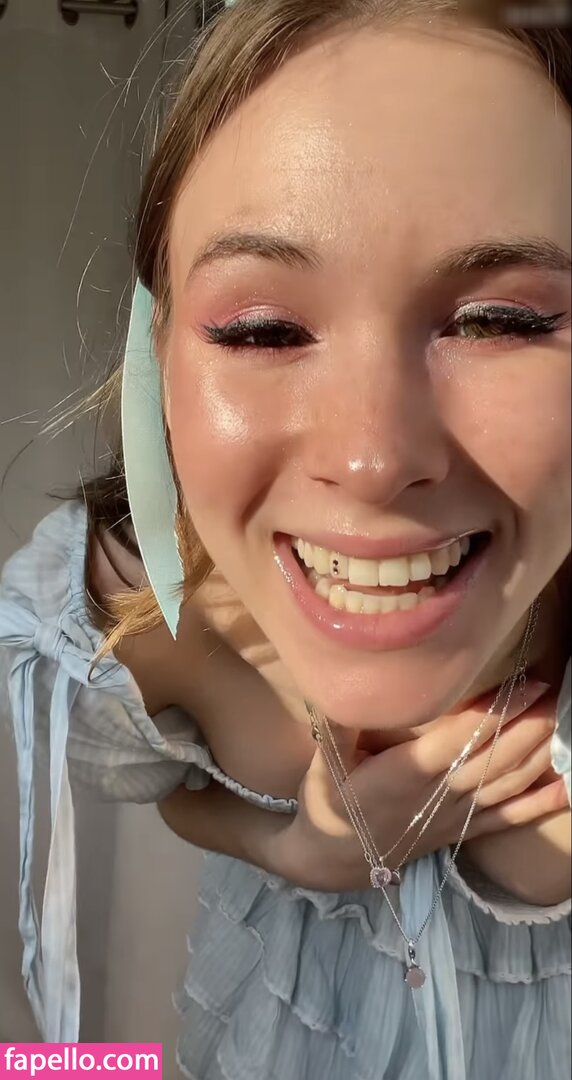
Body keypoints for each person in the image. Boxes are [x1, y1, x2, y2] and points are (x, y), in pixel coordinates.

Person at [1, 2, 570, 1077]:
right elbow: (178, 796)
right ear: (156, 357)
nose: (371, 458)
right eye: (263, 330)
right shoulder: (127, 618)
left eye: (498, 321)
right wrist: (302, 845)